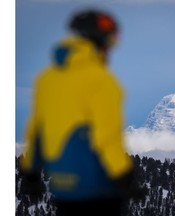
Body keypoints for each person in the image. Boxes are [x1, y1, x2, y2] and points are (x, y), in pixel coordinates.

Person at [20, 9, 141, 216]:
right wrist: (125, 176)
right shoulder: (101, 81)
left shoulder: (46, 79)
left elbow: (37, 130)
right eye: (112, 40)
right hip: (97, 188)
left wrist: (30, 173)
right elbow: (107, 136)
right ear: (101, 40)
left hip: (62, 185)